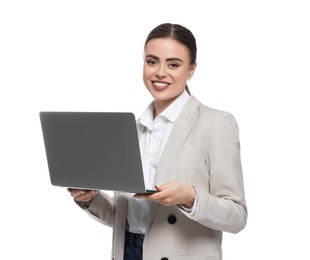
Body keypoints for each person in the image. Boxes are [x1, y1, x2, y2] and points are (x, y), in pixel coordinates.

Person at [68, 23, 247, 260]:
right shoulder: (131, 130)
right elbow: (125, 216)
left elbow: (237, 216)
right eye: (152, 61)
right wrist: (91, 198)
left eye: (173, 64)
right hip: (127, 252)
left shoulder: (216, 123)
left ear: (192, 69)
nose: (160, 72)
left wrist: (190, 197)